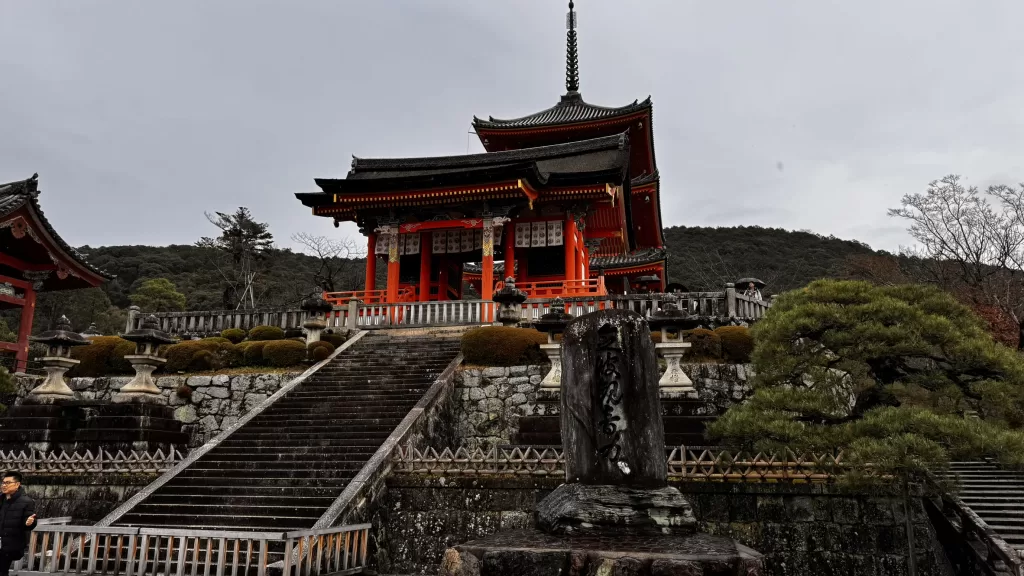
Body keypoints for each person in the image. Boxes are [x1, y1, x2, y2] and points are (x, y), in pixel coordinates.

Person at [0, 471, 36, 576]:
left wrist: (29, 523)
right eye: (3, 482)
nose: (3, 485)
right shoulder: (1, 499)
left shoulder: (26, 501)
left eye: (7, 483)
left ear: (17, 484)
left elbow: (29, 522)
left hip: (10, 544)